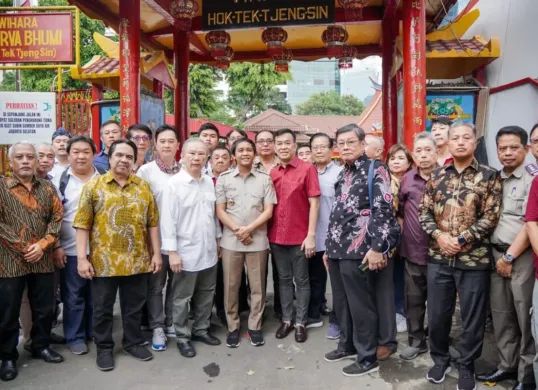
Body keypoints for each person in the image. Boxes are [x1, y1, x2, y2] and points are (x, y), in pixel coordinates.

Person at [420, 122, 502, 390]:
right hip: (439, 257)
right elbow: (425, 213)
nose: (460, 142)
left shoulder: (490, 176)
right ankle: (440, 360)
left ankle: (467, 365)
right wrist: (441, 237)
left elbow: (491, 216)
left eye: (466, 138)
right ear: (448, 142)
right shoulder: (436, 176)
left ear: (474, 143)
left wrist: (463, 239)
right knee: (438, 314)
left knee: (472, 318)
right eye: (455, 138)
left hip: (473, 260)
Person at [74, 139, 162, 371]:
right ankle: (104, 348)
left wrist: (156, 254)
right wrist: (82, 258)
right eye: (119, 155)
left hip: (137, 260)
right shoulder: (94, 186)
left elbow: (153, 222)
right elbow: (82, 224)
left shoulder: (143, 187)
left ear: (134, 161)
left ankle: (132, 342)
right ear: (110, 158)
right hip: (104, 262)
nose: (124, 160)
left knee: (133, 307)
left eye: (129, 157)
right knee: (102, 309)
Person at [323, 124, 400, 377]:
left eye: (350, 142)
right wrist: (328, 248)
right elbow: (337, 214)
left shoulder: (375, 168)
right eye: (341, 143)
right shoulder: (341, 173)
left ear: (362, 143)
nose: (345, 147)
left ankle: (367, 356)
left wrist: (377, 247)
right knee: (342, 303)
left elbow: (383, 208)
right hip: (336, 248)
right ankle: (346, 345)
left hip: (359, 249)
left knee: (361, 304)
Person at [475, 126, 536, 390]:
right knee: (501, 315)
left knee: (525, 317)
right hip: (495, 255)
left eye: (514, 147)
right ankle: (506, 365)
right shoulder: (493, 178)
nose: (508, 153)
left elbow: (529, 223)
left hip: (519, 257)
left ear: (526, 148)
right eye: (502, 148)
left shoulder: (532, 178)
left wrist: (509, 257)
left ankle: (527, 375)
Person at [0, 142, 64, 382]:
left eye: (30, 156)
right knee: (7, 311)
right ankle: (7, 356)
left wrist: (43, 245)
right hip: (9, 261)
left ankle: (41, 345)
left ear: (37, 161)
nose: (25, 161)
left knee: (45, 308)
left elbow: (56, 219)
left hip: (43, 259)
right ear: (11, 162)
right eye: (20, 157)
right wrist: (25, 247)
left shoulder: (47, 188)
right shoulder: (1, 186)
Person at [161, 138, 222, 359]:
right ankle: (182, 336)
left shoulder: (207, 182)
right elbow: (167, 221)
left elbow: (212, 215)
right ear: (182, 156)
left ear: (206, 157)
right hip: (185, 252)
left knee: (206, 293)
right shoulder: (174, 185)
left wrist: (217, 239)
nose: (196, 158)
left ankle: (201, 330)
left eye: (201, 154)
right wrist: (172, 252)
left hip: (208, 250)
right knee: (182, 297)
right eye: (192, 154)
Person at [216, 138, 277, 348]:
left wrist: (249, 230)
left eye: (249, 150)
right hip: (231, 241)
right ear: (233, 155)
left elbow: (269, 210)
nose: (245, 153)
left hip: (257, 240)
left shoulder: (264, 179)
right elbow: (220, 210)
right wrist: (238, 230)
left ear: (254, 154)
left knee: (257, 286)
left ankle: (254, 326)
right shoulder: (224, 179)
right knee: (231, 286)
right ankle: (233, 327)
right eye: (240, 150)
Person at [51, 136, 101, 356]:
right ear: (68, 155)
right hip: (70, 249)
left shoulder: (103, 179)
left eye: (86, 152)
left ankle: (92, 332)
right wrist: (57, 246)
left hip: (100, 249)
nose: (81, 156)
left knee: (96, 295)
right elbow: (53, 216)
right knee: (73, 295)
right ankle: (75, 336)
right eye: (76, 152)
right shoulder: (59, 181)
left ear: (93, 154)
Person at [269, 128, 320, 343]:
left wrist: (311, 235)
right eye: (279, 143)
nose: (283, 147)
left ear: (294, 145)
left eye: (287, 143)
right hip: (276, 236)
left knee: (302, 280)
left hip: (299, 236)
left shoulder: (307, 169)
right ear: (274, 147)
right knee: (283, 280)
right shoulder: (272, 172)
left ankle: (301, 322)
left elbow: (314, 202)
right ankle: (287, 320)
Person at [136, 125, 181, 351]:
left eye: (171, 141)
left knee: (176, 283)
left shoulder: (185, 170)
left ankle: (171, 320)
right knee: (155, 286)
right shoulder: (146, 172)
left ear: (177, 145)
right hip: (156, 241)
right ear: (155, 143)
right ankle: (157, 326)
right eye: (162, 141)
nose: (166, 145)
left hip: (181, 241)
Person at [397, 133, 438, 361]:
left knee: (440, 302)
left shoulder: (445, 177)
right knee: (413, 300)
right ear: (414, 155)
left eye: (428, 150)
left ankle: (437, 340)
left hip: (441, 254)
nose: (423, 155)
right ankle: (416, 341)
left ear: (436, 152)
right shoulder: (408, 179)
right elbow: (401, 210)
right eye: (419, 151)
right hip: (413, 252)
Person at [210, 146, 249, 324]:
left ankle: (239, 309)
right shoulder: (204, 181)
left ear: (231, 160)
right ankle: (221, 311)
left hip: (237, 234)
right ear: (210, 161)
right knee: (218, 277)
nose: (220, 160)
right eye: (216, 157)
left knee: (236, 276)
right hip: (212, 235)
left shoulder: (239, 180)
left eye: (224, 157)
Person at [309, 133, 342, 339]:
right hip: (313, 236)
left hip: (336, 237)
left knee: (338, 283)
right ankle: (315, 311)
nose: (319, 150)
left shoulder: (340, 173)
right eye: (315, 147)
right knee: (315, 278)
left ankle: (337, 321)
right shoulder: (307, 172)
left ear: (332, 149)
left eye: (323, 146)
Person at [385, 144, 413, 334]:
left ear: (409, 162)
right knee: (389, 277)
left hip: (410, 237)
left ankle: (402, 312)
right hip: (387, 238)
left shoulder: (413, 181)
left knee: (405, 277)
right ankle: (392, 313)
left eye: (401, 158)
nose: (396, 162)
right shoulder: (383, 181)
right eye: (392, 158)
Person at [254, 130, 281, 319]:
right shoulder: (249, 163)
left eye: (269, 141)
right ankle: (258, 310)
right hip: (256, 225)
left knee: (281, 271)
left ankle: (281, 308)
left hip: (281, 223)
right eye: (261, 141)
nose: (265, 144)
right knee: (257, 273)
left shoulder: (283, 164)